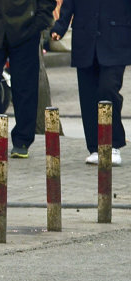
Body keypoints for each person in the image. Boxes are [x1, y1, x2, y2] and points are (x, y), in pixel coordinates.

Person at [0, 0, 55, 159]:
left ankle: (22, 140)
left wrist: (38, 23)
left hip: (25, 30)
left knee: (25, 86)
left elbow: (47, 3)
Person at [51, 0, 131, 166]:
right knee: (88, 96)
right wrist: (60, 26)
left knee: (108, 90)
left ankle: (113, 144)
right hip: (85, 40)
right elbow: (68, 5)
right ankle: (95, 147)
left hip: (116, 41)